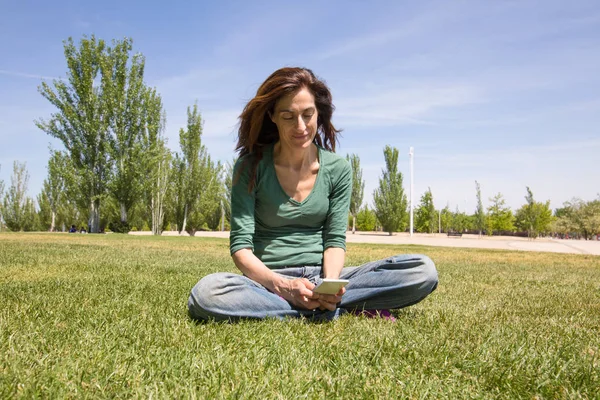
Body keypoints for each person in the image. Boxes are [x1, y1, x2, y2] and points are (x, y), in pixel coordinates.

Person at [188, 67, 438, 322]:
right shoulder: (250, 167)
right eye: (288, 116)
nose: (300, 126)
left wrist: (329, 286)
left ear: (319, 113)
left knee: (422, 271)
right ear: (272, 116)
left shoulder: (338, 169)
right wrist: (284, 287)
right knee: (206, 294)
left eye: (308, 115)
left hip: (323, 276)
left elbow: (334, 241)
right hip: (269, 282)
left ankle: (322, 304)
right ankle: (334, 308)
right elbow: (241, 248)